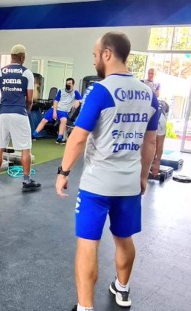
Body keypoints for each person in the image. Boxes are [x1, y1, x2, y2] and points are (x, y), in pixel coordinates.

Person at [55, 32, 159, 311]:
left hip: (97, 184)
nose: (94, 60)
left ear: (108, 54)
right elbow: (151, 141)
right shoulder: (149, 93)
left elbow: (78, 137)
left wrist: (63, 171)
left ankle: (85, 307)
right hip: (128, 184)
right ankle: (122, 289)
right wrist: (142, 176)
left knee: (88, 244)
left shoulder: (101, 90)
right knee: (124, 238)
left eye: (95, 54)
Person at [0, 44, 41, 192]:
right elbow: (30, 99)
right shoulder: (27, 73)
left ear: (11, 56)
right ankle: (26, 181)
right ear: (22, 57)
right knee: (26, 148)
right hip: (20, 113)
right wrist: (26, 111)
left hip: (4, 113)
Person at [32, 77, 82, 144]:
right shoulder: (61, 91)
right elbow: (56, 101)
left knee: (63, 120)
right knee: (44, 120)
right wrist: (54, 112)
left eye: (69, 83)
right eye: (67, 83)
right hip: (55, 108)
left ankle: (59, 138)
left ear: (73, 84)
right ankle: (34, 135)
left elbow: (81, 100)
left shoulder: (75, 92)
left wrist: (78, 102)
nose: (68, 85)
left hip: (64, 111)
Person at [143, 68, 168, 177]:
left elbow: (159, 143)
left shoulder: (160, 121)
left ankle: (154, 160)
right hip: (150, 107)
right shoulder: (142, 116)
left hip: (163, 108)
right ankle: (150, 160)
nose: (150, 75)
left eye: (152, 73)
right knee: (148, 139)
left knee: (156, 140)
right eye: (149, 73)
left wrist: (157, 162)